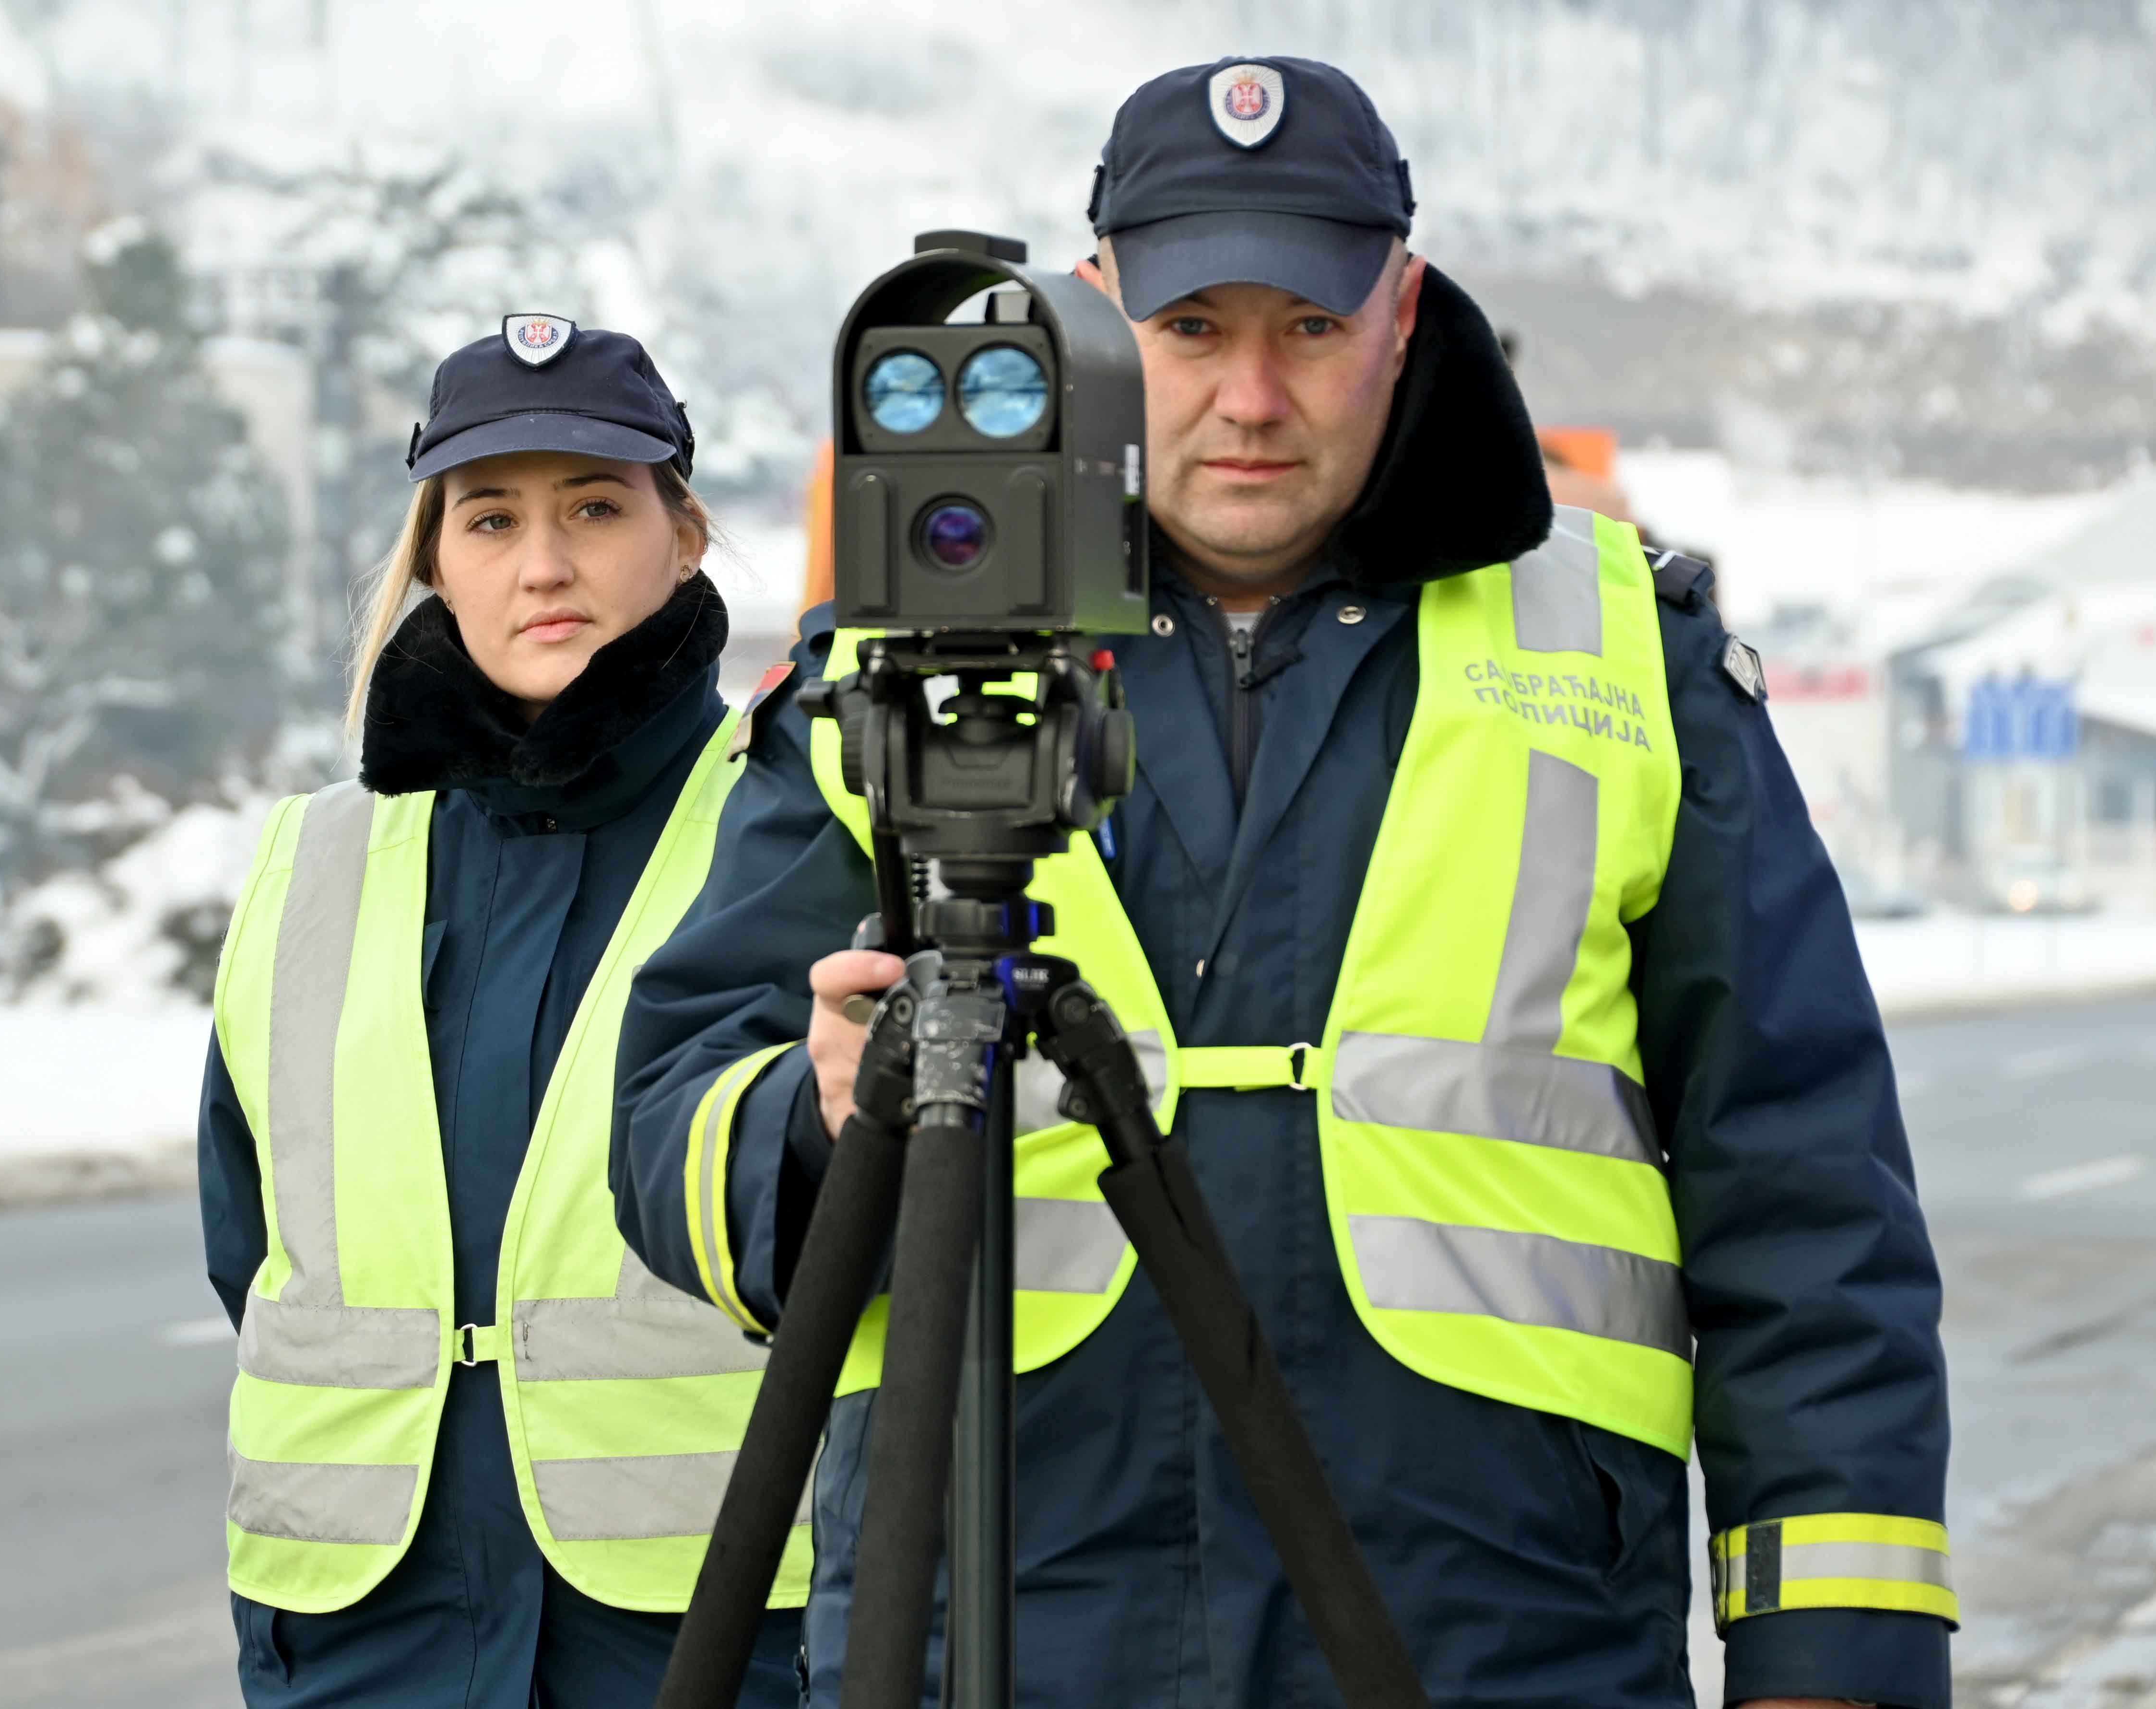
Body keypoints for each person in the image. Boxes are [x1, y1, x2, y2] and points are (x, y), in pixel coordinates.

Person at [612, 57, 1954, 1709]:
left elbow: (1805, 1198)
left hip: (1502, 1636)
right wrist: (815, 1128)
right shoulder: (895, 655)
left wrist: (1832, 1661)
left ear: (1402, 304)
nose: (1252, 396)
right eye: (1193, 333)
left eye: (1309, 329)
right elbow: (661, 1126)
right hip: (1014, 1635)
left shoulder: (1624, 655)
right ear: (1097, 319)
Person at [198, 317, 806, 1707]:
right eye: (491, 519)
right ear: (432, 559)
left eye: (596, 506)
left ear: (688, 533)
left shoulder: (800, 833)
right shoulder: (313, 862)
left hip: (703, 1636)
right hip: (368, 1642)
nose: (544, 563)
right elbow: (257, 1252)